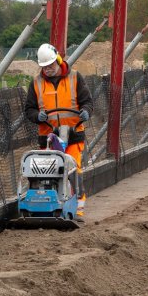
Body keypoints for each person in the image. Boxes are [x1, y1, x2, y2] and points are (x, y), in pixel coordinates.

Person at [25, 43, 92, 218]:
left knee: (72, 169)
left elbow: (87, 101)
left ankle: (77, 206)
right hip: (48, 136)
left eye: (50, 66)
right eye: (44, 67)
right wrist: (36, 116)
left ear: (58, 61)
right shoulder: (37, 83)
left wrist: (86, 112)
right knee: (45, 171)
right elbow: (29, 109)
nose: (48, 69)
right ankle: (46, 206)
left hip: (73, 134)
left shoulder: (75, 78)